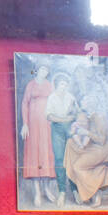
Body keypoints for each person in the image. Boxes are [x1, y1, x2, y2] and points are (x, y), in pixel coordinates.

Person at [20, 63, 56, 205]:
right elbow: (24, 103)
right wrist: (25, 124)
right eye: (42, 69)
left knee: (46, 154)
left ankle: (46, 189)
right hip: (33, 124)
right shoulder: (30, 85)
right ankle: (37, 192)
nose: (44, 72)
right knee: (34, 155)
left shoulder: (49, 85)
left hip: (46, 123)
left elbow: (53, 103)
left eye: (46, 70)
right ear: (37, 70)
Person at [44, 72, 79, 206]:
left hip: (69, 129)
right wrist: (63, 119)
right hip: (57, 129)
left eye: (65, 84)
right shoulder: (52, 97)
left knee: (72, 158)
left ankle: (75, 189)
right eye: (61, 84)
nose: (63, 87)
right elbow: (49, 116)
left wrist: (72, 116)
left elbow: (77, 113)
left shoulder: (71, 97)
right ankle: (62, 191)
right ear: (56, 84)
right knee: (59, 159)